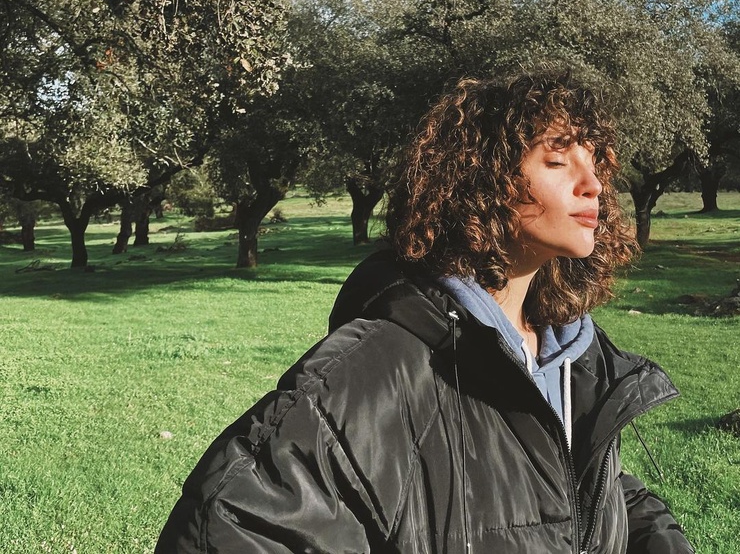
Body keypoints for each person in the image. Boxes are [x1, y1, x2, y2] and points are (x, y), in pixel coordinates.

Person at [155, 73, 694, 553]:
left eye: (595, 163)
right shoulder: (378, 369)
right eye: (557, 162)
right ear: (481, 180)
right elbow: (234, 523)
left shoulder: (575, 356)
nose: (593, 184)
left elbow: (587, 491)